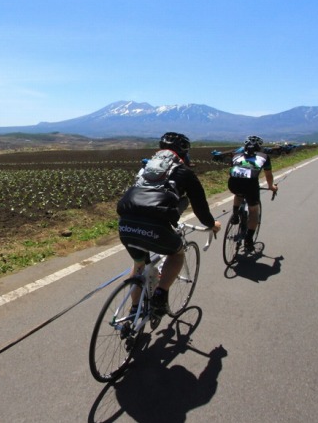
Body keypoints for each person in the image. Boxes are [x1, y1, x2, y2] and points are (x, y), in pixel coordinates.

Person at [117, 132, 221, 325]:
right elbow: (200, 208)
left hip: (126, 225)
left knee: (139, 264)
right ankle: (160, 296)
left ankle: (134, 311)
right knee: (177, 254)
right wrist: (211, 224)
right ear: (184, 152)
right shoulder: (184, 172)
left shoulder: (146, 168)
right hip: (155, 228)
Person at [227, 135, 278, 252]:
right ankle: (249, 240)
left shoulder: (236, 155)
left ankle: (235, 215)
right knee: (254, 211)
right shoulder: (264, 157)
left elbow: (233, 170)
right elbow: (268, 175)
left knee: (239, 194)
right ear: (259, 147)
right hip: (250, 186)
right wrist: (271, 186)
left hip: (233, 184)